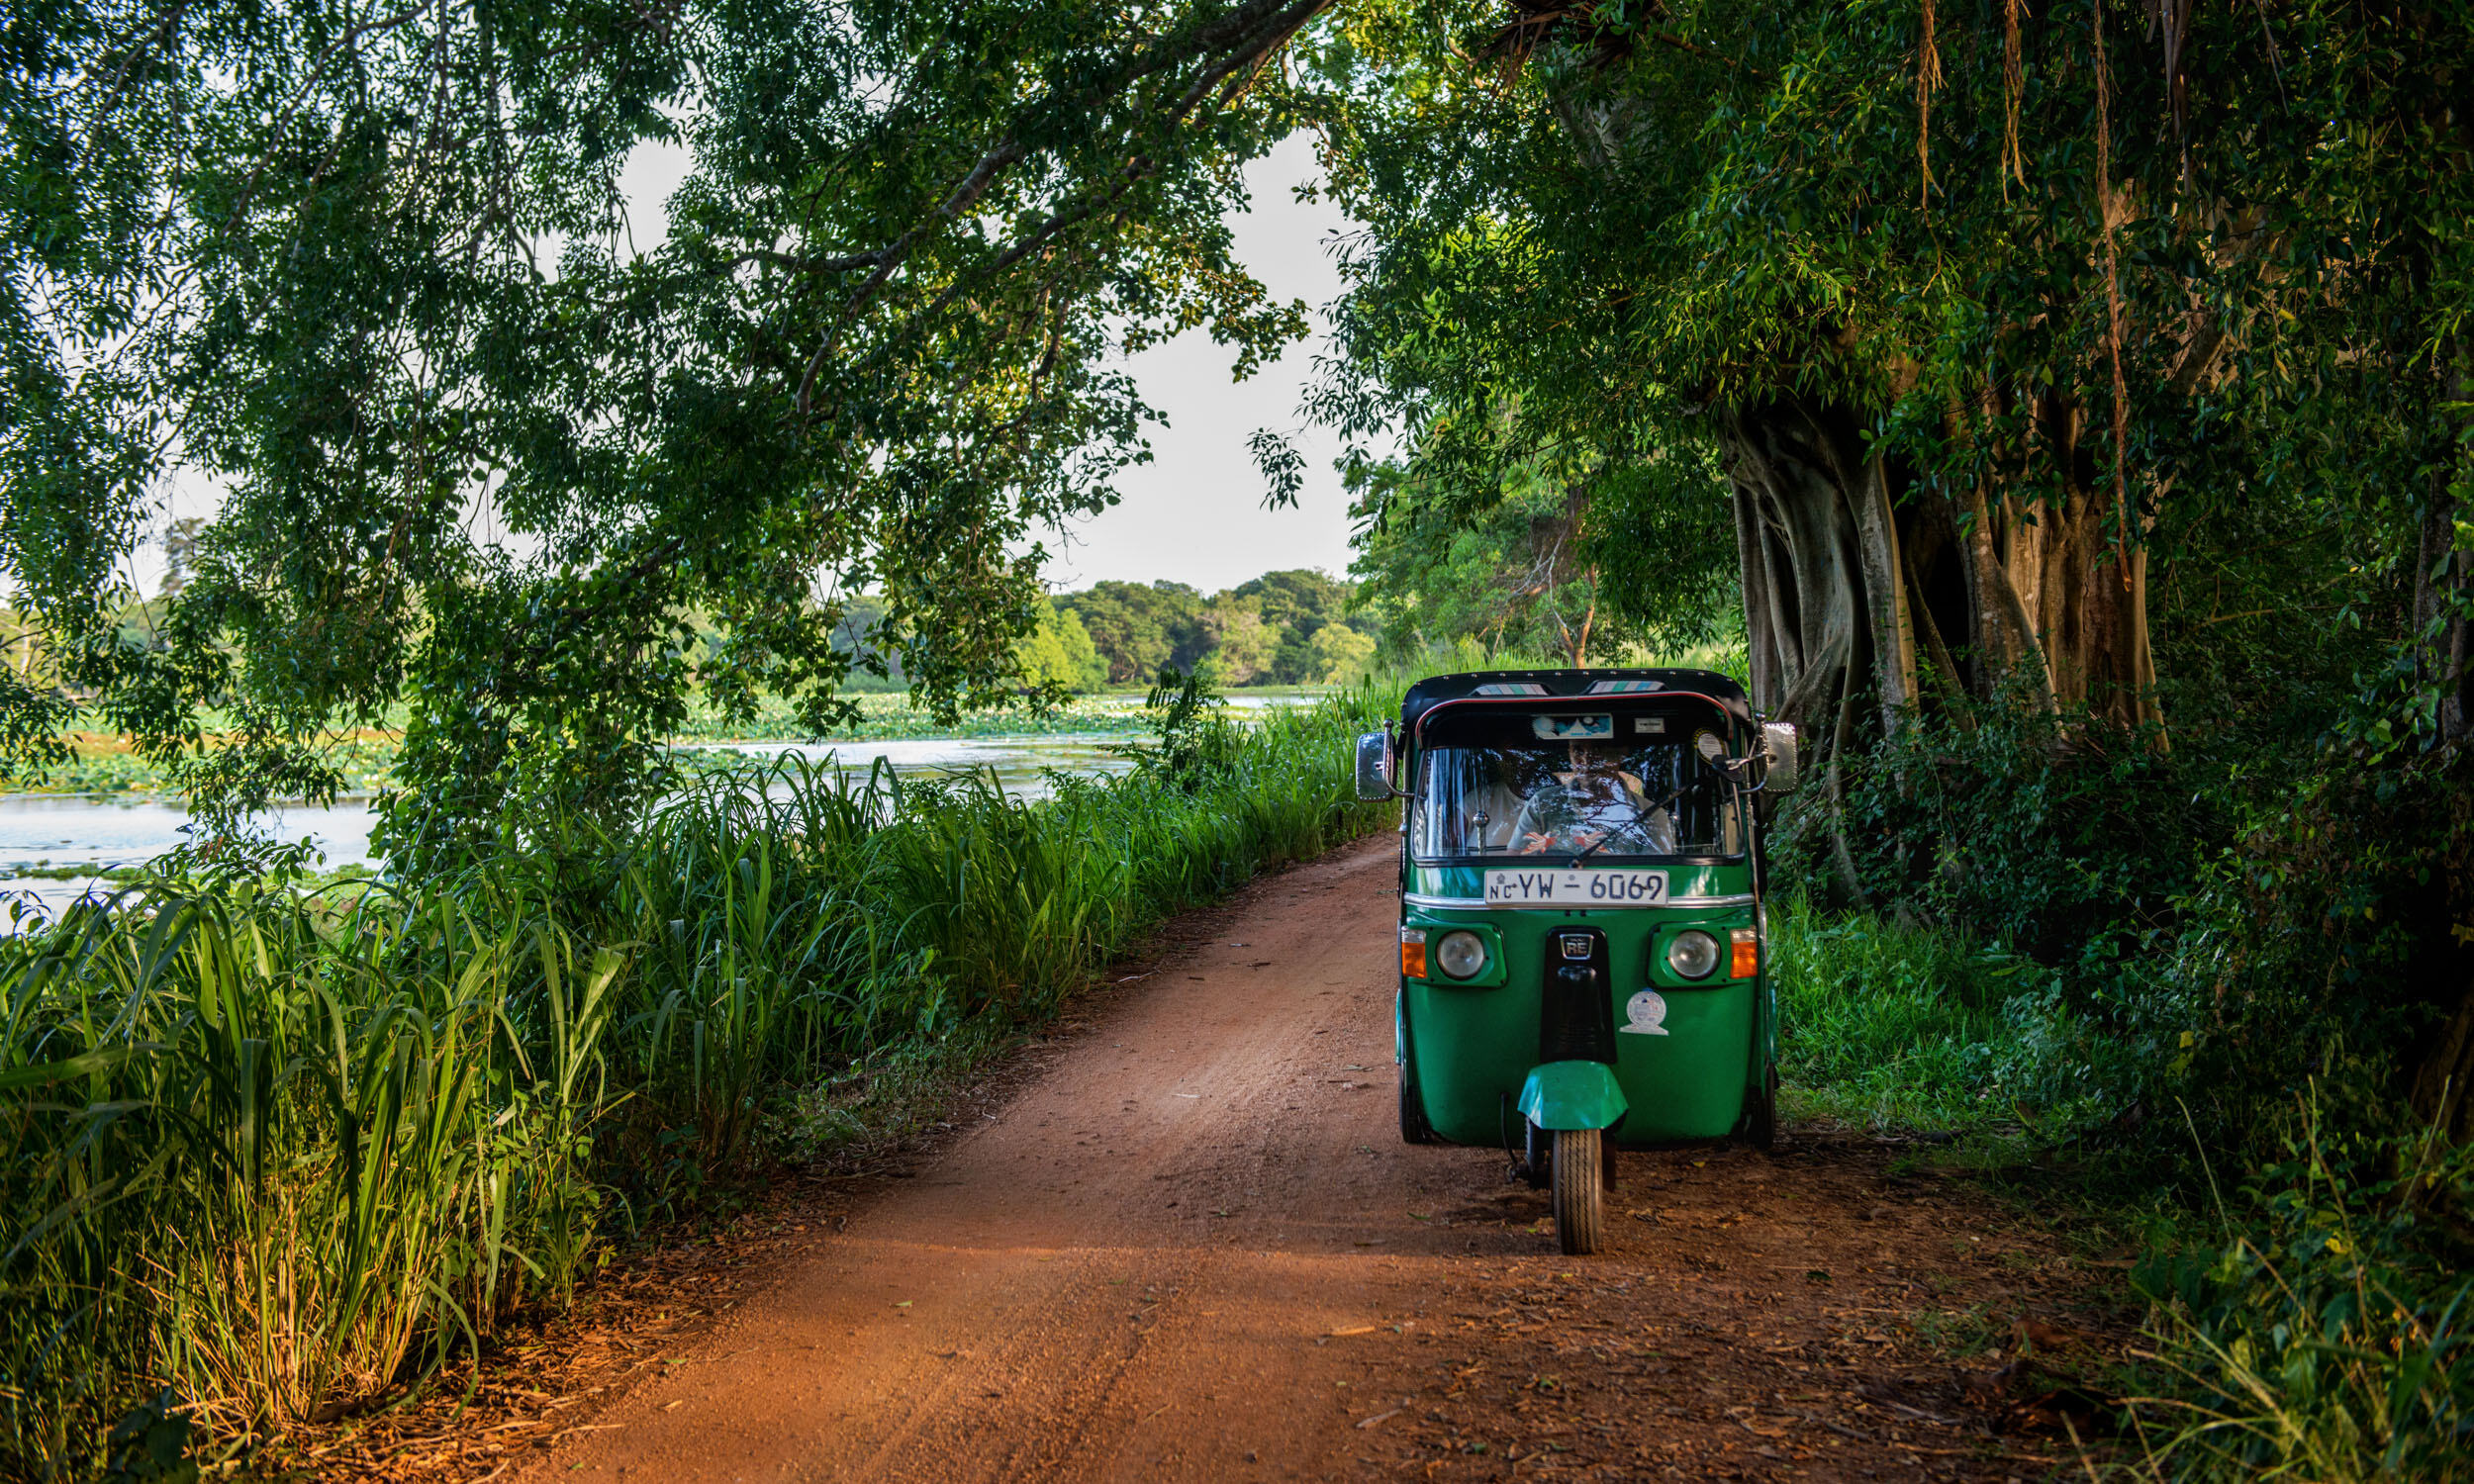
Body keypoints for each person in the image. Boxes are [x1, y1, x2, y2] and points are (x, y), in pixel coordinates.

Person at [1513, 741, 1676, 856]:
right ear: (1569, 754)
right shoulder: (1542, 803)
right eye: (1578, 750)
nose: (1586, 760)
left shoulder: (1651, 815)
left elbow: (1655, 877)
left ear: (1621, 753)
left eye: (1598, 749)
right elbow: (1515, 861)